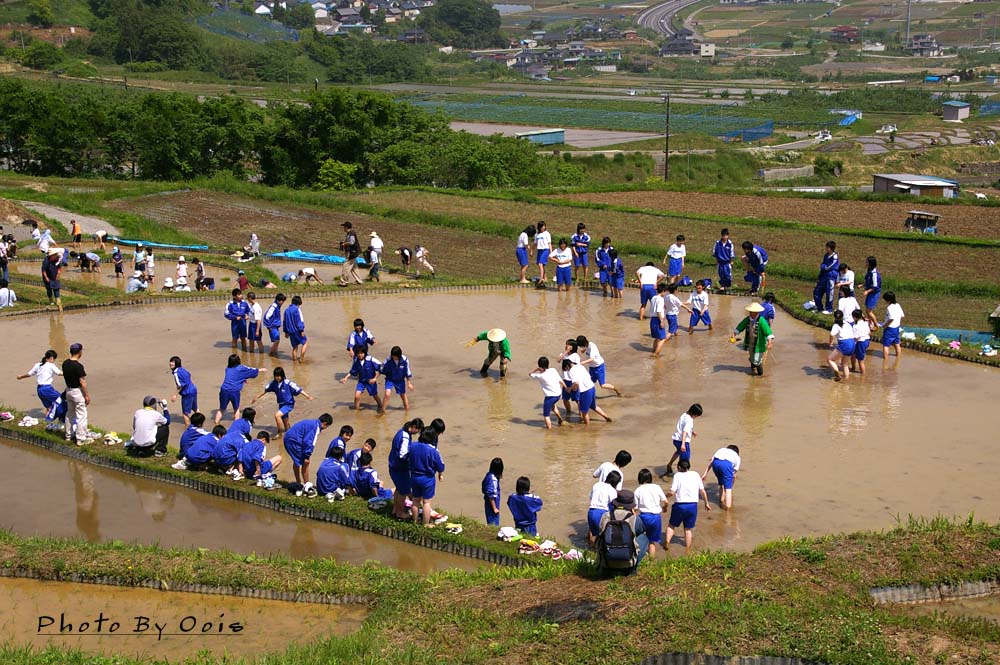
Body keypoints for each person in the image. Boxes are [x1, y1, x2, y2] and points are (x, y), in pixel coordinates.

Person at [665, 459, 711, 555]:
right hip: (692, 506)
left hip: (679, 505)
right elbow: (702, 491)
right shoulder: (695, 474)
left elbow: (672, 492)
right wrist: (706, 503)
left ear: (678, 467)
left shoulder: (677, 475)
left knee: (671, 525)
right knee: (688, 529)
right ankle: (688, 549)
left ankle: (667, 543)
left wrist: (664, 497)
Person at [596, 489, 647, 575]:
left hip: (606, 562)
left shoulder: (605, 516)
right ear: (631, 506)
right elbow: (641, 530)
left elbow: (600, 533)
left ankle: (603, 567)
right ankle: (633, 566)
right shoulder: (634, 519)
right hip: (627, 563)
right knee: (644, 538)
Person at [252, 366, 313, 435]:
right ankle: (290, 433)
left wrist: (308, 396)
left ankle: (279, 433)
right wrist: (256, 397)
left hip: (289, 404)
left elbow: (299, 389)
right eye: (275, 376)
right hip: (281, 404)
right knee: (285, 423)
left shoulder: (288, 383)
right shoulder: (273, 383)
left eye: (279, 376)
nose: (277, 378)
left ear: (282, 375)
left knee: (277, 416)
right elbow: (265, 390)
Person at [408, 427, 445, 526]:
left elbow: (407, 459)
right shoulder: (433, 450)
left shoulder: (412, 446)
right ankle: (426, 524)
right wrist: (440, 473)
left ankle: (415, 522)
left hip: (414, 476)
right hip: (427, 479)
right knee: (426, 502)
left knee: (415, 500)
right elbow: (440, 465)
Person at [282, 413, 333, 485]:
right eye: (327, 426)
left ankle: (298, 482)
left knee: (297, 461)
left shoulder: (312, 423)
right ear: (325, 424)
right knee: (306, 462)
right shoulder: (315, 428)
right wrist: (307, 455)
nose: (325, 428)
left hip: (289, 438)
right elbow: (309, 442)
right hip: (293, 441)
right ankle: (306, 484)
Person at [388, 418, 423, 519]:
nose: (417, 433)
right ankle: (400, 513)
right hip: (400, 468)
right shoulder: (406, 437)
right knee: (403, 491)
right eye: (418, 431)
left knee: (399, 489)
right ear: (414, 428)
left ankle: (395, 510)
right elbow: (402, 455)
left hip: (393, 465)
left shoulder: (401, 431)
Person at [561, 358, 612, 425]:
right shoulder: (580, 366)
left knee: (584, 412)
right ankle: (606, 417)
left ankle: (587, 428)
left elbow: (576, 383)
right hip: (592, 387)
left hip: (585, 391)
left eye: (566, 369)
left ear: (567, 366)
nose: (567, 371)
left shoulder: (571, 371)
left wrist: (570, 389)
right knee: (594, 406)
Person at [214, 354, 260, 425]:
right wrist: (259, 370)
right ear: (238, 361)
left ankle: (216, 424)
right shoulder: (241, 368)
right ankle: (236, 426)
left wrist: (243, 379)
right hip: (234, 391)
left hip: (224, 390)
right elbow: (251, 371)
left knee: (221, 409)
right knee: (236, 409)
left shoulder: (227, 369)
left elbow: (234, 376)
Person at [62, 343, 95, 444]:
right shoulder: (78, 366)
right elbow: (82, 382)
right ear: (80, 352)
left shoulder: (65, 363)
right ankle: (80, 438)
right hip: (77, 392)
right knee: (81, 415)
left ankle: (68, 435)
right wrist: (87, 395)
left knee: (69, 413)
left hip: (68, 390)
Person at [732, 302, 774, 376]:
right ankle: (753, 367)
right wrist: (734, 334)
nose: (751, 313)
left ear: (757, 312)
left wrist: (770, 343)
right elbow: (740, 326)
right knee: (752, 357)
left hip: (759, 344)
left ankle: (760, 374)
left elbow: (768, 332)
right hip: (750, 343)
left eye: (753, 312)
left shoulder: (762, 321)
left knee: (757, 359)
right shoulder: (747, 319)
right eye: (750, 311)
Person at [634, 469, 669, 558]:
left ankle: (639, 557)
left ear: (640, 478)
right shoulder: (657, 487)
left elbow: (635, 508)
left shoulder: (638, 490)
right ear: (650, 478)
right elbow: (666, 501)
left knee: (639, 538)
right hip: (656, 517)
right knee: (651, 541)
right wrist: (665, 508)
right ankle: (651, 560)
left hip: (643, 517)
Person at [341, 344, 384, 413]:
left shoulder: (371, 359)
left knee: (375, 395)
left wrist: (375, 378)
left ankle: (381, 407)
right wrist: (346, 378)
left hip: (370, 381)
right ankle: (357, 411)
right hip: (361, 381)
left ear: (365, 353)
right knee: (357, 396)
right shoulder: (356, 361)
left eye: (361, 353)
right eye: (358, 353)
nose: (360, 355)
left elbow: (381, 368)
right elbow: (352, 371)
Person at [665, 403, 702, 477]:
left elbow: (683, 426)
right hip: (682, 441)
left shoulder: (684, 415)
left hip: (676, 439)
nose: (696, 417)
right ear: (694, 413)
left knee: (678, 452)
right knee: (685, 461)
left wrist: (692, 431)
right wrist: (683, 444)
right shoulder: (690, 420)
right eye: (697, 415)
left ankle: (669, 464)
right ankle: (681, 476)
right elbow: (685, 431)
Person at [528, 357, 565, 429]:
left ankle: (549, 430)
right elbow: (560, 380)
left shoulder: (540, 376)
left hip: (550, 397)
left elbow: (530, 374)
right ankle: (560, 420)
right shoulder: (553, 370)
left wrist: (536, 369)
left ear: (540, 366)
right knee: (553, 406)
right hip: (558, 394)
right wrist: (565, 387)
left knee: (546, 415)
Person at [702, 445, 740, 511]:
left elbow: (711, 462)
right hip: (726, 465)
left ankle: (721, 501)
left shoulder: (722, 449)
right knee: (728, 489)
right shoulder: (737, 456)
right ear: (737, 452)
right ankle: (728, 509)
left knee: (721, 484)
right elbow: (734, 475)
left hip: (716, 464)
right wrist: (731, 486)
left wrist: (705, 473)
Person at [587, 470, 620, 544]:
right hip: (602, 513)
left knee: (593, 534)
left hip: (591, 511)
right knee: (603, 535)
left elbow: (590, 496)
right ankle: (599, 552)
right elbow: (614, 502)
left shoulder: (597, 485)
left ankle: (591, 549)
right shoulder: (612, 490)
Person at [382, 345, 414, 413]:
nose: (393, 357)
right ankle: (383, 411)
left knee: (403, 395)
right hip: (390, 379)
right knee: (387, 394)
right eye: (392, 355)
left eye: (395, 356)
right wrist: (375, 377)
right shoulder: (388, 359)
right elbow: (382, 368)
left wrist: (409, 383)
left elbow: (407, 371)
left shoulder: (405, 360)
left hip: (400, 380)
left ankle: (407, 411)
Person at [827, 310, 856, 382]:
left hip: (845, 344)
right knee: (844, 364)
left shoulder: (836, 325)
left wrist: (830, 343)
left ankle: (837, 375)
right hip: (852, 343)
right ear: (842, 316)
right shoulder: (847, 323)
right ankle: (846, 381)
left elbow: (831, 335)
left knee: (830, 359)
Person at [168, 356, 198, 424]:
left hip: (187, 393)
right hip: (193, 389)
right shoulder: (182, 369)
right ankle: (201, 423)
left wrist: (175, 395)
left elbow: (180, 385)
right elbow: (189, 375)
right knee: (195, 409)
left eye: (172, 362)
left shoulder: (176, 373)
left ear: (176, 363)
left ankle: (187, 426)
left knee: (185, 413)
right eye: (170, 362)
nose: (170, 363)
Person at [814, 241, 840, 314]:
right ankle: (819, 308)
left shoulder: (835, 256)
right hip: (823, 276)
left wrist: (825, 267)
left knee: (829, 293)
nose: (826, 248)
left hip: (830, 276)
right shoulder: (826, 255)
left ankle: (829, 309)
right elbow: (823, 263)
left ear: (831, 248)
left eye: (827, 247)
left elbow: (831, 266)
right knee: (817, 291)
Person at [282, 295, 308, 362]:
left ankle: (294, 361)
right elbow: (299, 321)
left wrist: (286, 332)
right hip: (297, 330)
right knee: (305, 343)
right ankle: (301, 358)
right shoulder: (297, 310)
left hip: (290, 331)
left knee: (294, 347)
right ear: (298, 303)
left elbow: (284, 322)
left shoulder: (286, 310)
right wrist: (301, 330)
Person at [224, 288, 250, 352]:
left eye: (241, 294)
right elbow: (226, 314)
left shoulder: (245, 303)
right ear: (234, 296)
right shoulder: (230, 304)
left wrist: (247, 315)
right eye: (239, 294)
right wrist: (235, 317)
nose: (241, 295)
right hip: (235, 324)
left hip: (243, 323)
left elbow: (249, 311)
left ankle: (245, 353)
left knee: (243, 338)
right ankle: (234, 353)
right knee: (235, 338)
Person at [338, 221, 363, 286]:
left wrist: (344, 243)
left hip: (353, 252)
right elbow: (350, 241)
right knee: (354, 268)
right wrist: (344, 242)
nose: (343, 228)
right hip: (353, 252)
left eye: (344, 227)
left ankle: (344, 281)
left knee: (346, 266)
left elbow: (352, 242)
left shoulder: (351, 233)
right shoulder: (349, 233)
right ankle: (359, 280)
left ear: (346, 227)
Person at [882, 291, 905, 360]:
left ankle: (885, 360)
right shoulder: (898, 305)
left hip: (889, 328)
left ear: (888, 300)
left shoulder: (889, 308)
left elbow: (891, 319)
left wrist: (885, 325)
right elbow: (902, 315)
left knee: (886, 345)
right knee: (897, 343)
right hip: (896, 327)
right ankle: (898, 358)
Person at [482, 457, 504, 526]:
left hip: (488, 501)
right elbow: (491, 495)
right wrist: (495, 508)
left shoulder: (488, 475)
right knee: (494, 523)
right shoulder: (493, 480)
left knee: (490, 520)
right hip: (492, 503)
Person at [712, 228, 735, 292]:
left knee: (727, 274)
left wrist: (731, 261)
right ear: (721, 236)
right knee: (721, 274)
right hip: (720, 262)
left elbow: (732, 253)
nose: (725, 237)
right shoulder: (717, 243)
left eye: (726, 235)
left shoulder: (730, 244)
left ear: (728, 236)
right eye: (723, 235)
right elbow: (715, 252)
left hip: (727, 262)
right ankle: (722, 285)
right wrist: (716, 260)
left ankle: (728, 286)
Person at [862, 256, 882, 330]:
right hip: (871, 293)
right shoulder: (869, 270)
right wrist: (863, 285)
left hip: (873, 293)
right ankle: (871, 323)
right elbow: (869, 281)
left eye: (867, 262)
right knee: (867, 310)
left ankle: (876, 325)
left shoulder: (874, 274)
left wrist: (867, 291)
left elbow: (875, 286)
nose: (866, 263)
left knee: (869, 311)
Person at [851, 309, 872, 375]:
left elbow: (855, 338)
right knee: (853, 355)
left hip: (860, 343)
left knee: (860, 360)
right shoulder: (865, 323)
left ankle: (862, 374)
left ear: (854, 317)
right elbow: (869, 333)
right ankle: (853, 368)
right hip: (866, 341)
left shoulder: (855, 326)